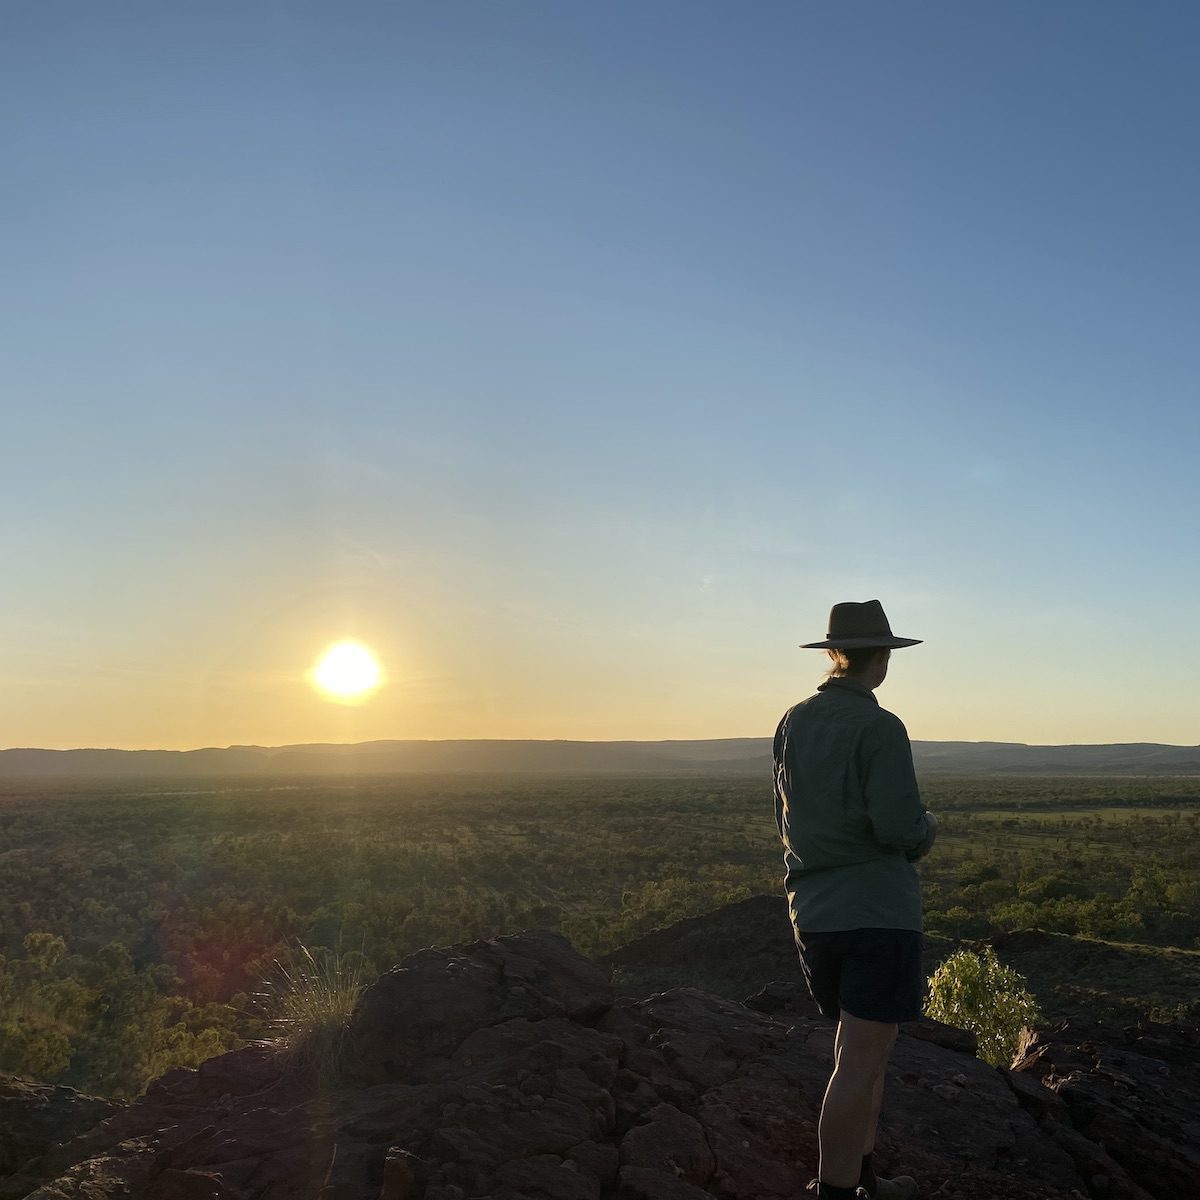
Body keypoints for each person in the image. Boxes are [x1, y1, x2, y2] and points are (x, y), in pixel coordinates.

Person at [773, 600, 937, 1200]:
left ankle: (866, 1179)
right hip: (878, 911)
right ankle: (837, 1191)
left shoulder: (794, 720)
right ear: (883, 656)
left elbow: (786, 819)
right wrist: (928, 828)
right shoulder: (879, 726)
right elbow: (898, 827)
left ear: (835, 653)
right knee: (860, 1064)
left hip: (814, 913)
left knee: (859, 1053)